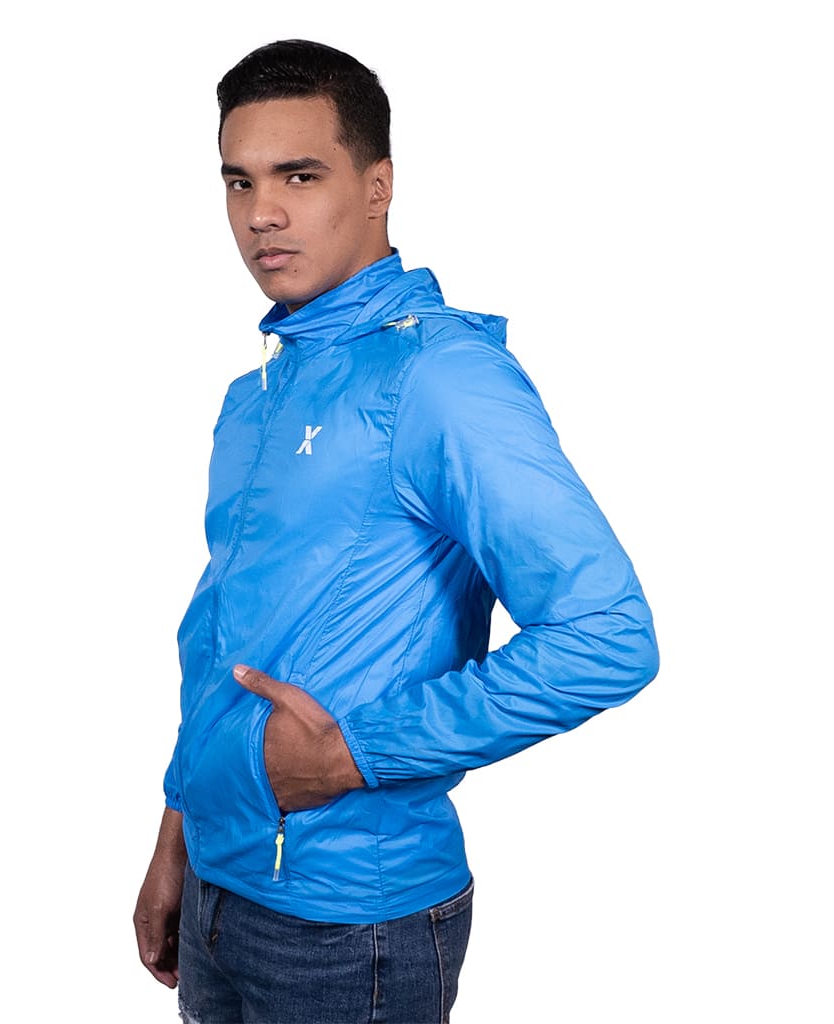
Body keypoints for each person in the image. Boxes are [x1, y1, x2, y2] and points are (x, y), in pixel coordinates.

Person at [134, 39, 659, 1024]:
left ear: (377, 186)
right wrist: (175, 836)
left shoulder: (442, 380)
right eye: (239, 181)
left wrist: (350, 755)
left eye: (299, 175)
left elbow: (607, 636)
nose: (261, 213)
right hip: (216, 889)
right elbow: (222, 641)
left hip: (349, 927)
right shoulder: (254, 395)